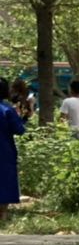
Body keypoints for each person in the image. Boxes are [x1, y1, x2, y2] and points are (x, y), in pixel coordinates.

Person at [0, 78, 25, 222]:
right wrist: (23, 117)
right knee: (5, 180)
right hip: (4, 151)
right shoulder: (7, 109)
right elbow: (19, 130)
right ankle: (2, 215)